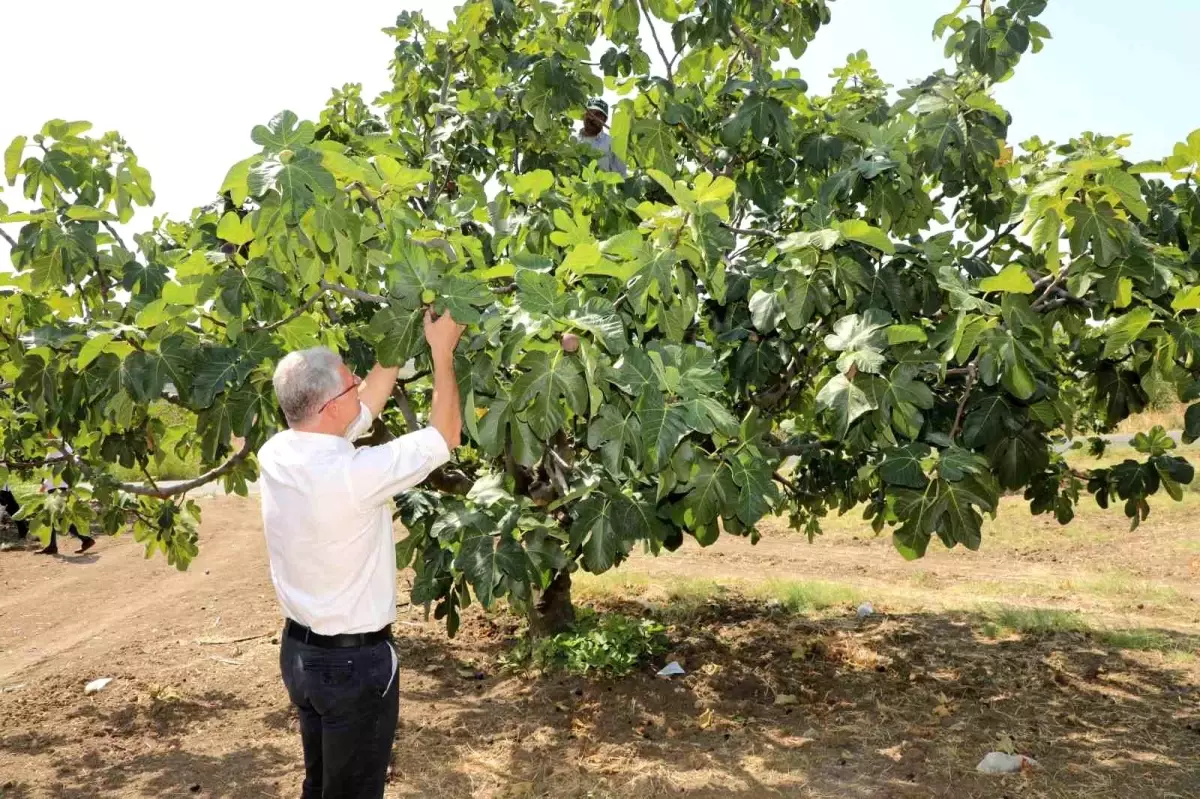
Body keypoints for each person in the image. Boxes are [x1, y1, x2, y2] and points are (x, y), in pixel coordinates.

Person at [259, 308, 464, 799]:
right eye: (350, 382)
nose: (359, 384)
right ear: (329, 405)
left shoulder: (280, 451)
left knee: (322, 783)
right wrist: (442, 351)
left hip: (301, 656)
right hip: (352, 668)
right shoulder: (355, 476)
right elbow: (445, 435)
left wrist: (404, 329)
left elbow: (362, 404)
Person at [575, 97, 628, 177]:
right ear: (584, 115)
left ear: (605, 120)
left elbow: (622, 175)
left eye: (598, 115)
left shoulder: (612, 143)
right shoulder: (572, 141)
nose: (592, 117)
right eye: (590, 113)